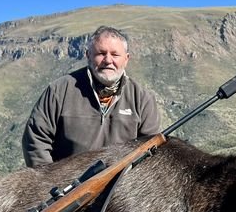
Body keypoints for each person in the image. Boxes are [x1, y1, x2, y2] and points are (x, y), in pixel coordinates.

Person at [22, 26, 160, 167]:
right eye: (101, 53)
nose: (108, 60)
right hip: (66, 185)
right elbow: (36, 140)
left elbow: (151, 152)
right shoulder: (59, 90)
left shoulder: (143, 99)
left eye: (115, 54)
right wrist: (50, 183)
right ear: (88, 55)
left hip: (123, 186)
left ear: (126, 59)